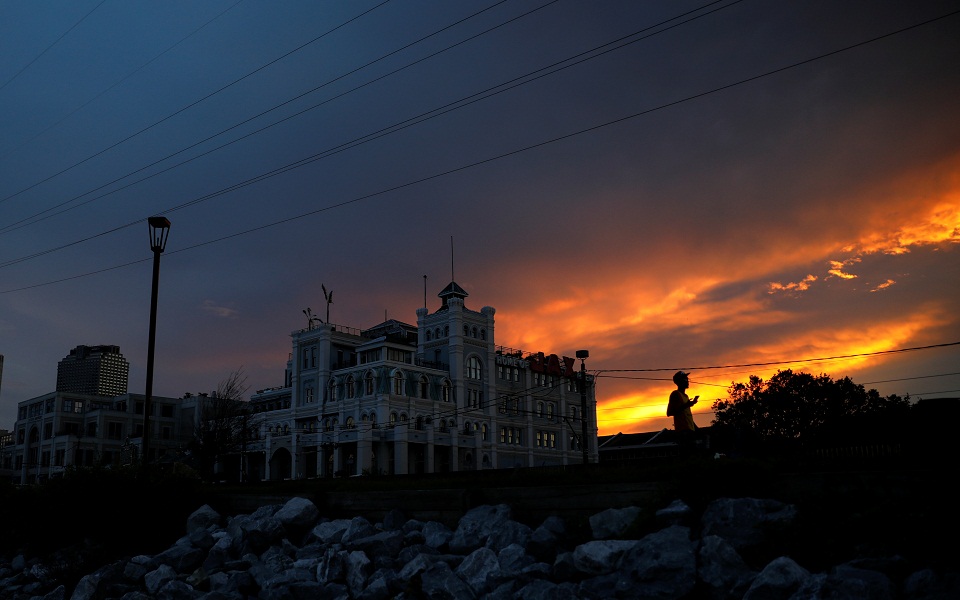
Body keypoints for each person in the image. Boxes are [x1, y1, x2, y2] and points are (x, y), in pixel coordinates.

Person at [667, 370, 699, 452]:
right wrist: (687, 405)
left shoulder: (686, 396)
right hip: (683, 432)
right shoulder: (675, 394)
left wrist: (697, 429)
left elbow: (686, 415)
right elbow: (670, 412)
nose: (687, 380)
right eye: (685, 379)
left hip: (690, 431)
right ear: (679, 381)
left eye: (687, 378)